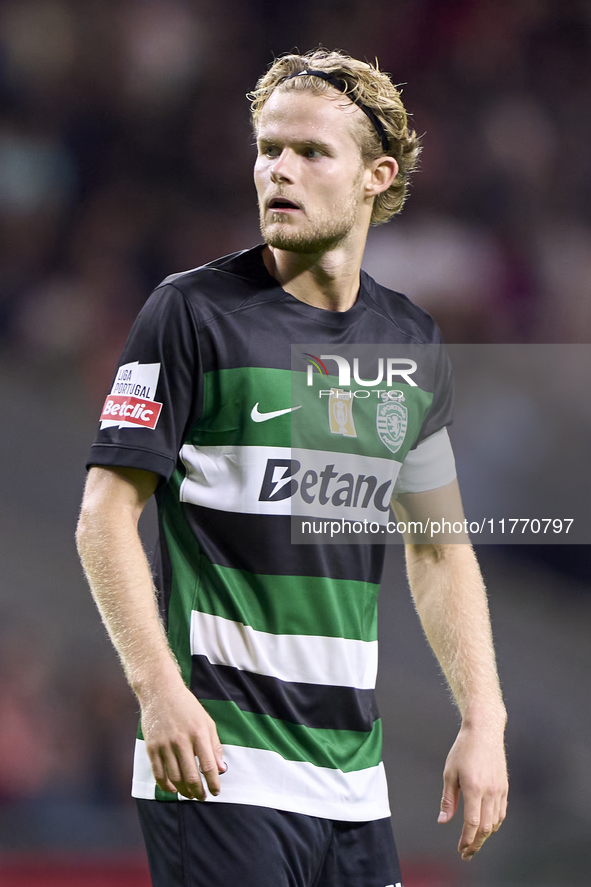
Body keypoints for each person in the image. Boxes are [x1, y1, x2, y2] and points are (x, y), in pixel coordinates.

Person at [76, 48, 508, 887]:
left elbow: (439, 548)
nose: (279, 168)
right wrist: (158, 690)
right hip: (218, 764)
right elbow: (103, 515)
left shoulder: (409, 342)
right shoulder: (190, 313)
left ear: (376, 176)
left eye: (310, 152)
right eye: (268, 148)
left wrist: (482, 717)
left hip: (354, 783)